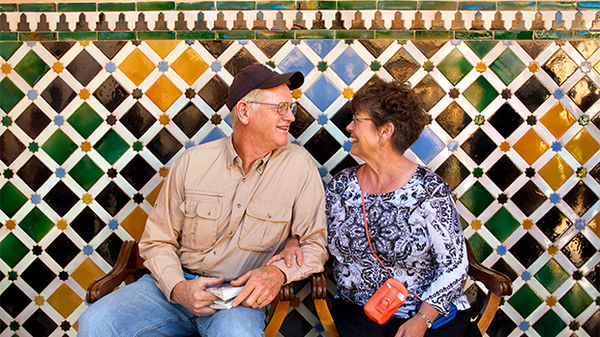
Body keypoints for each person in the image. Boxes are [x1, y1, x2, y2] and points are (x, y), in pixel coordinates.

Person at [78, 64, 328, 337]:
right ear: (245, 112)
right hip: (172, 286)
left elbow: (314, 244)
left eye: (290, 107)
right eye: (280, 108)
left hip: (237, 298)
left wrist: (277, 274)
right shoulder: (193, 162)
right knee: (97, 321)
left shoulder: (298, 166)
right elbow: (158, 241)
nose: (290, 117)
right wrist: (178, 288)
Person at [275, 80, 476, 337]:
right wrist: (295, 240)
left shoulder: (428, 190)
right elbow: (313, 230)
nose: (348, 127)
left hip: (426, 316)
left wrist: (422, 320)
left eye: (357, 119)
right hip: (361, 314)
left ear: (385, 131)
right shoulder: (341, 187)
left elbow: (454, 266)